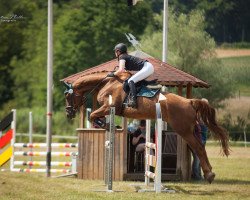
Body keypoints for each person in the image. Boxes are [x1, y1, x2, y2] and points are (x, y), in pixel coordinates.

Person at [107, 43, 154, 108]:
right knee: (132, 80)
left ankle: (133, 101)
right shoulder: (125, 56)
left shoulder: (122, 56)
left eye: (115, 51)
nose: (115, 53)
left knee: (131, 81)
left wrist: (113, 74)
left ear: (118, 51)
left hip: (147, 67)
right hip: (148, 67)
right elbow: (125, 71)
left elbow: (121, 70)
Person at [192, 114, 208, 180]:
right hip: (198, 144)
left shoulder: (201, 125)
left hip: (201, 143)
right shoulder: (197, 125)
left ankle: (199, 175)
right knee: (197, 160)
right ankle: (196, 176)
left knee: (199, 161)